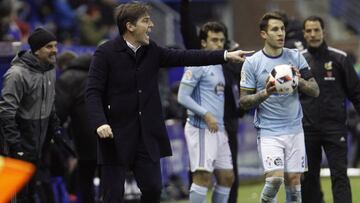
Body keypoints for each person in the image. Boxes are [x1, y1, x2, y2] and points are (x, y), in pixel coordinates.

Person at [85, 2, 252, 202]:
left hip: (146, 137)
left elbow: (186, 55)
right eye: (146, 21)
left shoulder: (152, 50)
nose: (152, 25)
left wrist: (225, 56)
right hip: (115, 135)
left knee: (154, 190)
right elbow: (93, 92)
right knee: (112, 196)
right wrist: (100, 122)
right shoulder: (105, 53)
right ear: (130, 26)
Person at [239, 12, 319, 202]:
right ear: (263, 34)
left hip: (295, 128)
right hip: (269, 130)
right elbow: (243, 101)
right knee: (275, 180)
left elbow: (315, 90)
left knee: (294, 180)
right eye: (275, 29)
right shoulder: (252, 63)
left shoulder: (296, 56)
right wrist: (266, 93)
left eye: (282, 29)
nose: (281, 33)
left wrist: (299, 81)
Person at [179, 1, 243, 202]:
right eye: (214, 40)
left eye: (222, 40)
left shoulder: (220, 65)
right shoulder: (197, 61)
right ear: (204, 42)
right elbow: (182, 96)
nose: (219, 44)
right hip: (201, 127)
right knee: (202, 177)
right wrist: (206, 114)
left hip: (219, 129)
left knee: (226, 177)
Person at [300, 15, 360, 203]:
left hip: (335, 128)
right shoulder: (298, 61)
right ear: (304, 34)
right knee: (308, 179)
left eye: (316, 30)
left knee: (339, 175)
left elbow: (356, 93)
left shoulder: (340, 59)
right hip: (307, 129)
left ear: (323, 32)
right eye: (309, 31)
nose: (313, 34)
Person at [0, 27, 60, 202]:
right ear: (36, 50)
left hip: (38, 142)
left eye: (55, 45)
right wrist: (15, 144)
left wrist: (55, 127)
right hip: (19, 142)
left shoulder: (49, 69)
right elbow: (5, 111)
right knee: (16, 194)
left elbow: (51, 101)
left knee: (32, 191)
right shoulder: (17, 74)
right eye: (49, 46)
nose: (55, 50)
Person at [55, 54, 97, 203]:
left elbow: (59, 113)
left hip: (85, 138)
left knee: (85, 180)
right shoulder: (101, 72)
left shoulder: (67, 79)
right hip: (111, 135)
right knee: (112, 181)